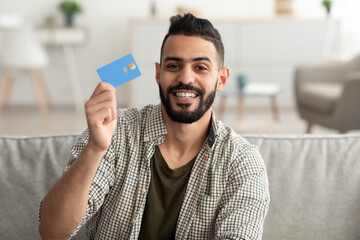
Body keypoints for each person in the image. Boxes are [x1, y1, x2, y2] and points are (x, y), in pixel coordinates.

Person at [39, 13, 270, 240]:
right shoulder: (115, 133)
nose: (185, 78)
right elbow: (52, 233)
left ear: (222, 79)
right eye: (173, 66)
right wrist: (95, 149)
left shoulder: (242, 162)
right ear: (158, 73)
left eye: (200, 67)